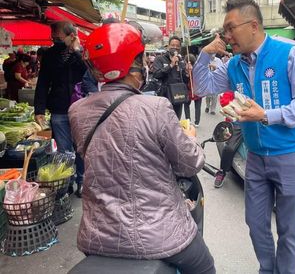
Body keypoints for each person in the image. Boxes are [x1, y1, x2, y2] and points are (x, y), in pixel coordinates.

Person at [68, 23, 215, 274]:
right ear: (134, 64)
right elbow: (190, 163)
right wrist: (189, 137)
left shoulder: (77, 111)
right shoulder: (155, 107)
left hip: (97, 235)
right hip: (161, 235)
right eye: (142, 58)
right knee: (206, 268)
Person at [192, 0, 295, 274]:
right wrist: (205, 55)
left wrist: (266, 115)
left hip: (290, 152)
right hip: (255, 155)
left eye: (230, 28)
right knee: (256, 222)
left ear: (253, 25)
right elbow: (202, 87)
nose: (226, 36)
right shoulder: (234, 64)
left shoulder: (289, 55)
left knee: (288, 227)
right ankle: (267, 268)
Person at [34, 21, 86, 197]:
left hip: (80, 108)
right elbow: (42, 82)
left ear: (71, 36)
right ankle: (67, 183)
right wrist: (39, 109)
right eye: (53, 37)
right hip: (59, 109)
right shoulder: (50, 54)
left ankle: (82, 180)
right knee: (64, 151)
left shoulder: (82, 53)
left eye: (58, 37)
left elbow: (89, 72)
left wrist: (76, 51)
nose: (54, 40)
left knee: (81, 148)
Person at [152, 36, 190, 118]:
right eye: (173, 45)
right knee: (163, 121)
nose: (175, 47)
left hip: (178, 97)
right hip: (164, 96)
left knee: (176, 120)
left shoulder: (181, 61)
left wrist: (187, 73)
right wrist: (171, 65)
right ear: (168, 46)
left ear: (180, 47)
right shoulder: (160, 59)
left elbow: (185, 81)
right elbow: (156, 74)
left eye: (177, 46)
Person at [184, 54, 202, 127]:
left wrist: (188, 72)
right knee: (196, 106)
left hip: (192, 89)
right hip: (196, 89)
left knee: (187, 105)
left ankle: (190, 120)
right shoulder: (198, 68)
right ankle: (195, 122)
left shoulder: (193, 68)